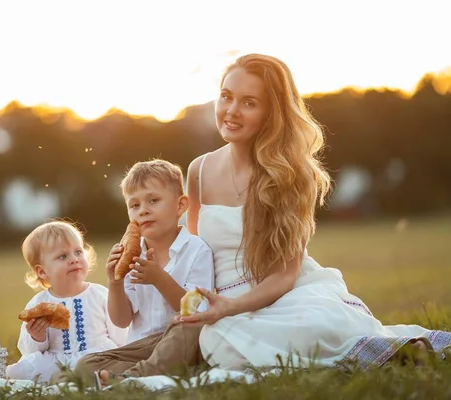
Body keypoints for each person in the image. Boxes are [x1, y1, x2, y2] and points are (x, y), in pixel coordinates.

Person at [177, 53, 451, 371]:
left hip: (285, 295)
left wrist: (232, 307)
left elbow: (284, 274)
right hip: (222, 301)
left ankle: (388, 352)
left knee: (302, 326)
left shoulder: (290, 174)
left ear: (271, 113)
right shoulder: (199, 170)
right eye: (226, 96)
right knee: (218, 342)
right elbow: (192, 252)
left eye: (249, 102)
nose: (231, 111)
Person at [72, 159, 215, 387]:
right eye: (134, 205)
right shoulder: (132, 254)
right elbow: (121, 320)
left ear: (180, 205)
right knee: (86, 365)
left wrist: (159, 278)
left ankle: (134, 379)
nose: (143, 210)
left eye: (153, 200)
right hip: (141, 347)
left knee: (189, 324)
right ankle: (157, 374)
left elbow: (196, 311)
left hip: (181, 340)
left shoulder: (197, 250)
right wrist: (115, 281)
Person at [5, 220, 128, 384]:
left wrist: (122, 351)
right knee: (23, 369)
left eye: (78, 252)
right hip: (57, 361)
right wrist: (37, 337)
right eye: (63, 256)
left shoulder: (99, 294)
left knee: (118, 362)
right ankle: (71, 378)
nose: (74, 259)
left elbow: (120, 333)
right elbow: (30, 352)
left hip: (97, 356)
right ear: (42, 271)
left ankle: (85, 378)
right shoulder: (39, 303)